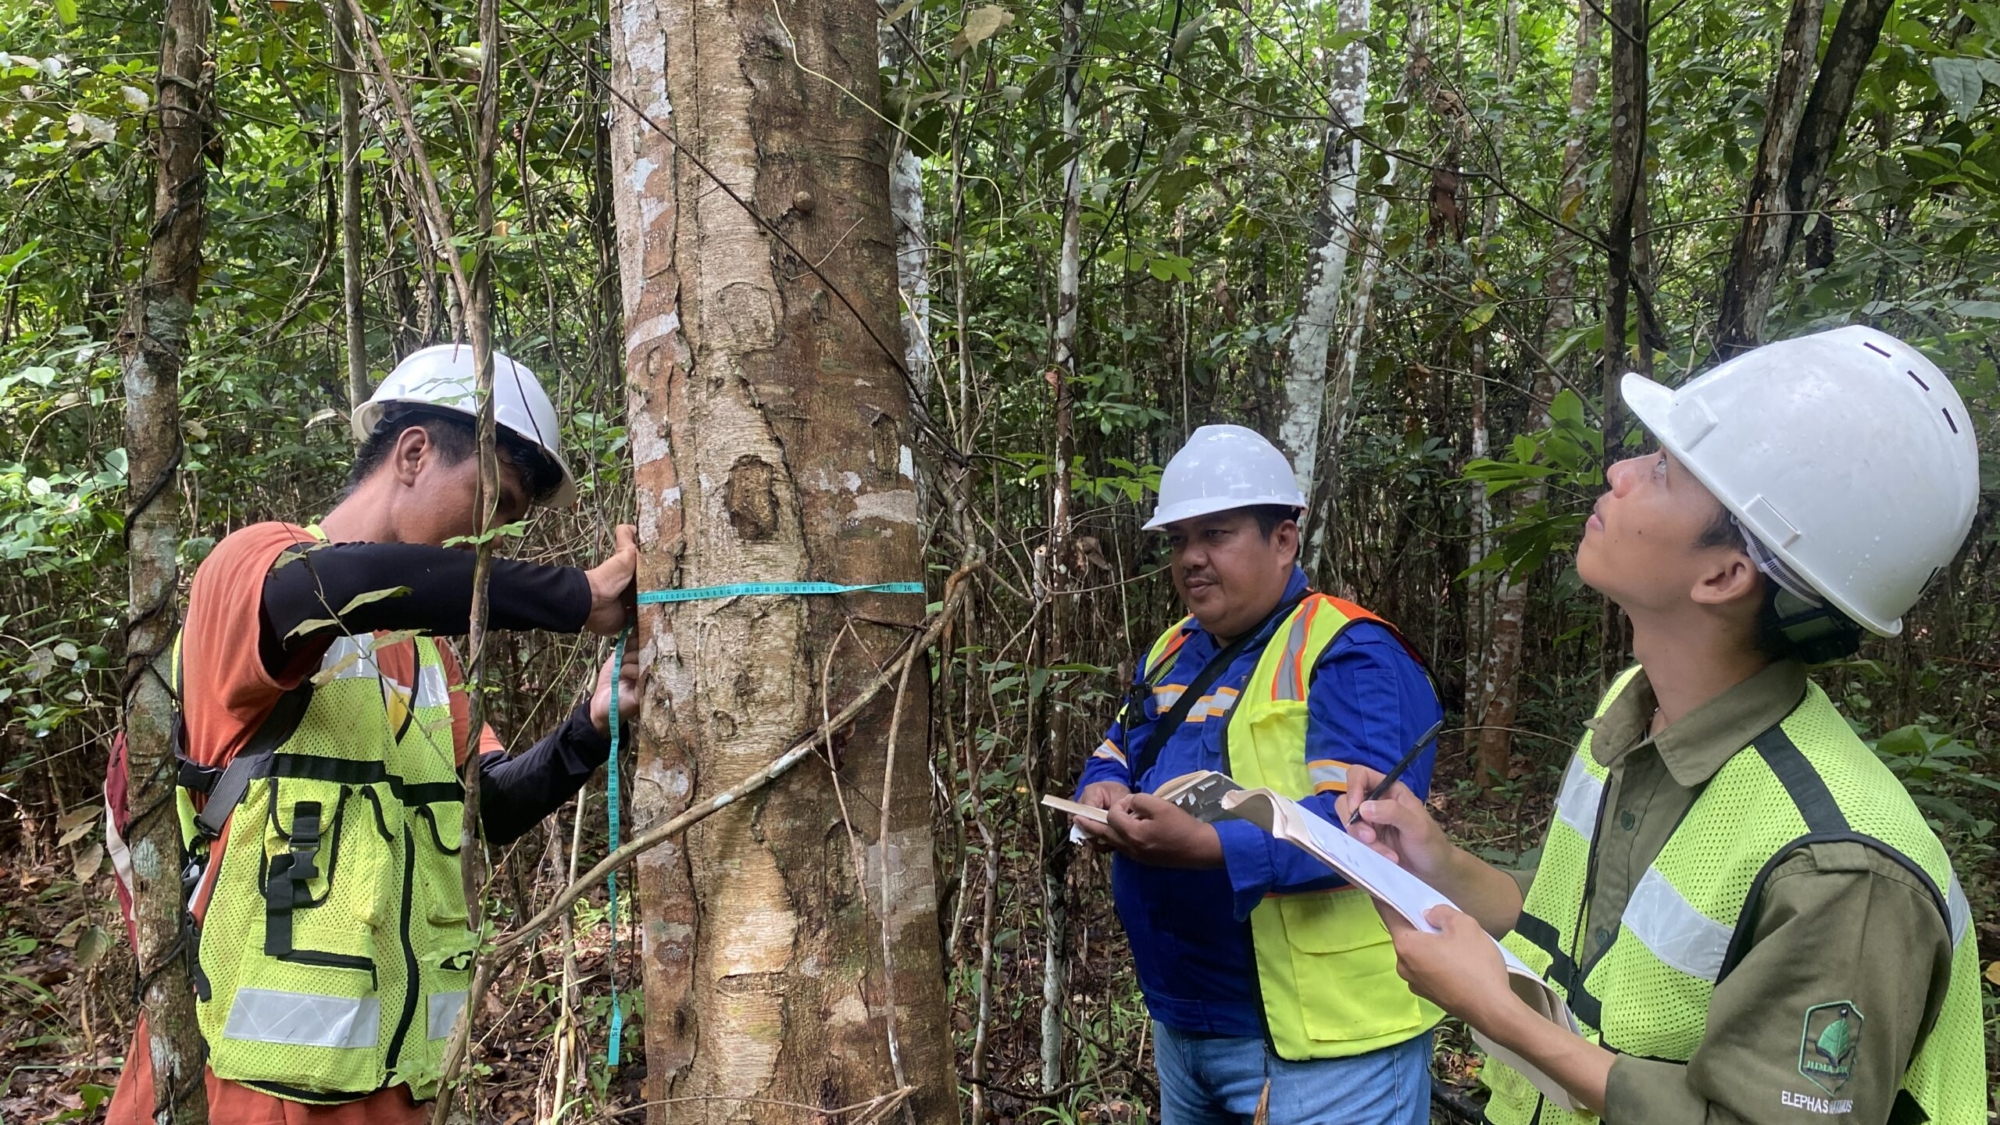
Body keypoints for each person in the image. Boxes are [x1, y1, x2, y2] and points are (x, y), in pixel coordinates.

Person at [1337, 326, 1986, 1124]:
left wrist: (1502, 1015)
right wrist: (1437, 863)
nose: (1619, 471)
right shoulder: (1635, 706)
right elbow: (1573, 932)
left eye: (1664, 467)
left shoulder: (1841, 868)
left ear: (1724, 573)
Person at [105, 345, 643, 1124]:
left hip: (385, 1090)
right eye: (496, 503)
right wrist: (576, 596)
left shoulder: (431, 658)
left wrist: (587, 730)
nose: (494, 544)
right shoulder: (254, 566)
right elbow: (339, 587)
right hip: (233, 1091)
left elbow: (485, 806)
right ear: (415, 452)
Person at [1070, 424, 1446, 1124]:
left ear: (1283, 539)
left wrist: (1211, 847)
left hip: (1332, 1050)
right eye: (1179, 540)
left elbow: (1366, 824)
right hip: (1187, 1026)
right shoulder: (1173, 648)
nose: (1192, 559)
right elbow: (1122, 743)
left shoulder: (1350, 651)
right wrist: (1103, 784)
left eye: (1215, 534)